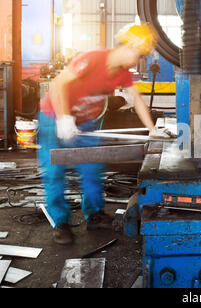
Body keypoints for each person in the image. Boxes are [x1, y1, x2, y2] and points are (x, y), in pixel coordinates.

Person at [38, 24, 156, 245]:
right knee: (55, 171)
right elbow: (60, 83)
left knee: (92, 168)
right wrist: (64, 118)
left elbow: (137, 99)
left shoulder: (122, 73)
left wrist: (153, 130)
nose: (139, 59)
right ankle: (60, 222)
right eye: (139, 54)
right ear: (129, 46)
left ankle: (94, 215)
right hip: (54, 116)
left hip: (86, 122)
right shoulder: (94, 59)